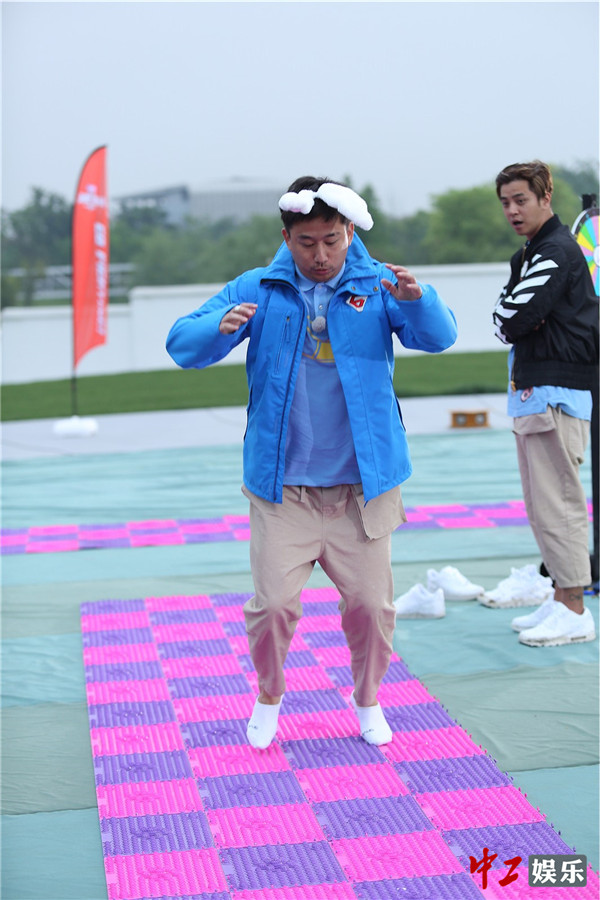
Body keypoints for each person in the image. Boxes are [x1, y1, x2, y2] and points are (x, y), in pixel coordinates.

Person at [166, 176, 457, 748]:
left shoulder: (379, 285)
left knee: (372, 608)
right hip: (284, 488)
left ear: (348, 231)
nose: (320, 255)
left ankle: (368, 700)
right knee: (273, 606)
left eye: (331, 240)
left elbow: (439, 337)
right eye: (306, 242)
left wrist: (418, 300)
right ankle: (269, 696)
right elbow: (182, 343)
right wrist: (216, 328)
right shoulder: (259, 287)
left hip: (362, 487)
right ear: (286, 237)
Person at [480, 161, 598, 648]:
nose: (512, 210)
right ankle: (559, 597)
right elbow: (508, 316)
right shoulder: (528, 253)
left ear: (545, 196)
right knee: (541, 505)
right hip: (533, 387)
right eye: (505, 202)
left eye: (521, 200)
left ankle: (574, 609)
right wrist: (513, 315)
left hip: (556, 390)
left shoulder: (556, 250)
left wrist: (513, 315)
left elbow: (511, 316)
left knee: (559, 504)